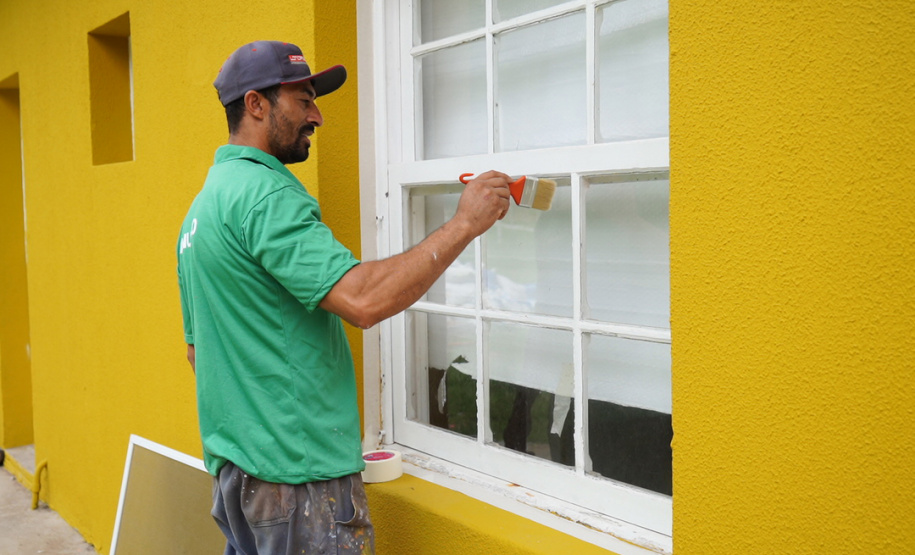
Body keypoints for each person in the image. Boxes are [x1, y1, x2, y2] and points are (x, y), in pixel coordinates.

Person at [176, 40, 511, 555]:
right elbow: (363, 300)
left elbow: (200, 353)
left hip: (240, 478)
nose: (318, 115)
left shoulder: (203, 209)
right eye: (303, 100)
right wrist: (465, 223)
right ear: (256, 104)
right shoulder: (267, 196)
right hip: (297, 480)